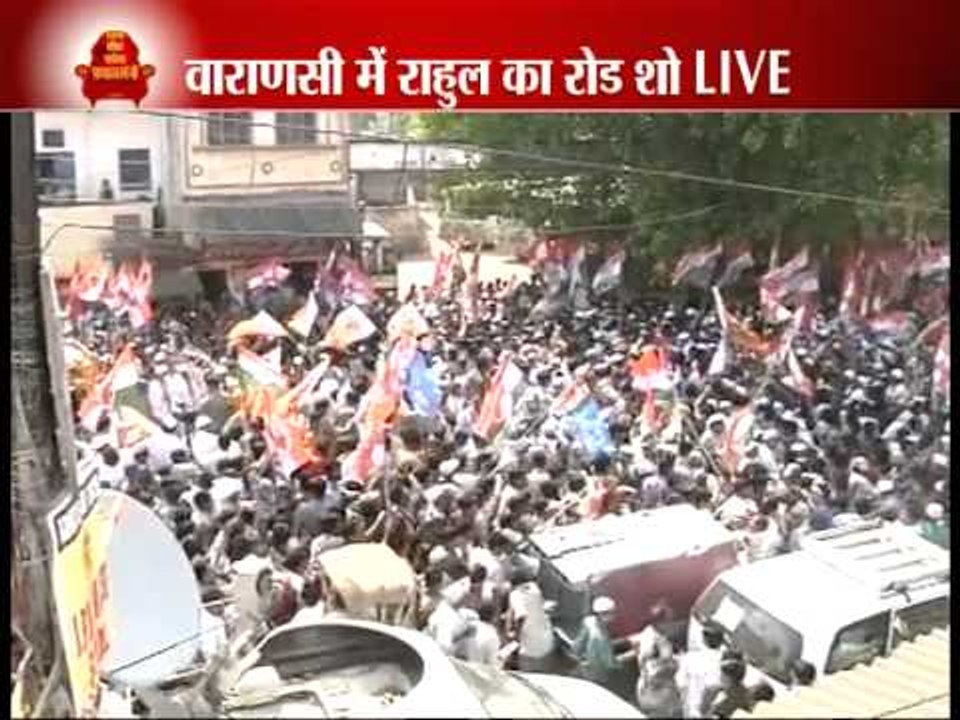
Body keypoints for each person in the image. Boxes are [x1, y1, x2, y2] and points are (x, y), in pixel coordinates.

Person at [506, 568, 556, 673]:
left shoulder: (515, 595)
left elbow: (521, 616)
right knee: (544, 674)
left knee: (528, 677)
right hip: (546, 643)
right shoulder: (535, 588)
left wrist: (516, 636)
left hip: (530, 648)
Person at [677, 621, 725, 719]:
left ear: (703, 639)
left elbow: (681, 684)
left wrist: (685, 708)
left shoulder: (690, 657)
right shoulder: (725, 663)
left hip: (689, 709)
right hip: (709, 713)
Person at [572, 596, 620, 690]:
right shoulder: (600, 638)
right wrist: (627, 658)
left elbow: (577, 646)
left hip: (584, 665)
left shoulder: (589, 621)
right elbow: (610, 663)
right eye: (613, 613)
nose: (615, 615)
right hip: (597, 674)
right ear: (604, 615)